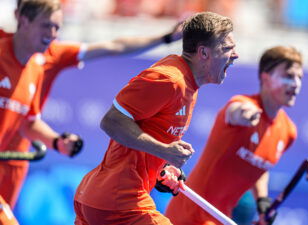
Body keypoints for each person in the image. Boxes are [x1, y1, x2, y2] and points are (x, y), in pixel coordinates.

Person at [0, 0, 183, 210]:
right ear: (21, 18)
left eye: (57, 27)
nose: (51, 33)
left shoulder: (37, 64)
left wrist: (57, 142)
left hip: (15, 158)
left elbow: (28, 122)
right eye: (45, 25)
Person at [74, 11, 239, 225]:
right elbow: (111, 121)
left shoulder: (189, 82)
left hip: (101, 199)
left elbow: (141, 139)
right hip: (119, 203)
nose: (235, 55)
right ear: (203, 53)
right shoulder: (169, 79)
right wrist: (163, 151)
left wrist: (160, 169)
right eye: (227, 48)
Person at [165, 46, 303, 225]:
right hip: (189, 213)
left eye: (300, 78)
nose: (296, 84)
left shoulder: (288, 132)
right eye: (289, 76)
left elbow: (259, 165)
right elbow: (234, 111)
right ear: (265, 78)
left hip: (221, 218)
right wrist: (244, 114)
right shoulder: (242, 104)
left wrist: (262, 201)